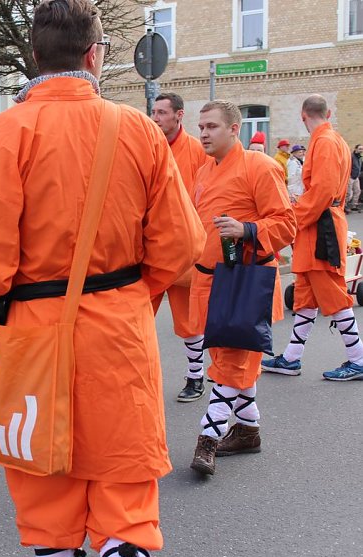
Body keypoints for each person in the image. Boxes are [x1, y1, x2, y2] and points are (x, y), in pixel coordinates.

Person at [0, 1, 205, 557]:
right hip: (120, 334)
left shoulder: (4, 132)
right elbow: (182, 245)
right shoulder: (138, 128)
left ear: (35, 55)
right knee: (125, 505)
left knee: (47, 496)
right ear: (95, 55)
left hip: (32, 336)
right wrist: (132, 295)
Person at [188, 101, 296, 476]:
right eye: (201, 126)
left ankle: (209, 437)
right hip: (209, 279)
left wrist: (247, 229)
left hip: (245, 281)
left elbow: (286, 224)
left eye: (212, 126)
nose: (203, 133)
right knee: (226, 359)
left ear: (235, 129)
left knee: (231, 363)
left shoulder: (261, 166)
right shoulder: (204, 170)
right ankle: (248, 430)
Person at [262, 95, 360, 382]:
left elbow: (322, 192)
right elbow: (323, 191)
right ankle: (291, 358)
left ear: (303, 116)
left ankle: (359, 358)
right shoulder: (332, 139)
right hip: (319, 225)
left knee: (332, 293)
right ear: (327, 112)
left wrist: (294, 215)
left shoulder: (325, 142)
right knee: (305, 295)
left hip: (321, 228)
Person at [151, 92, 211, 402]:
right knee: (137, 319)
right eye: (154, 111)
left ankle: (195, 376)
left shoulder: (197, 151)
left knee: (189, 323)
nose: (156, 117)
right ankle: (139, 379)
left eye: (162, 112)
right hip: (149, 248)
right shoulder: (148, 145)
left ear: (179, 115)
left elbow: (206, 196)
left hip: (184, 248)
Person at [347, 143, 362, 213]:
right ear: (355, 149)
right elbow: (348, 166)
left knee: (357, 191)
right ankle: (344, 206)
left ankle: (354, 205)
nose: (361, 150)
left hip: (356, 177)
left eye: (362, 149)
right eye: (360, 149)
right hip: (350, 177)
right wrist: (349, 175)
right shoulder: (351, 156)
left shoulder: (359, 157)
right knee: (349, 193)